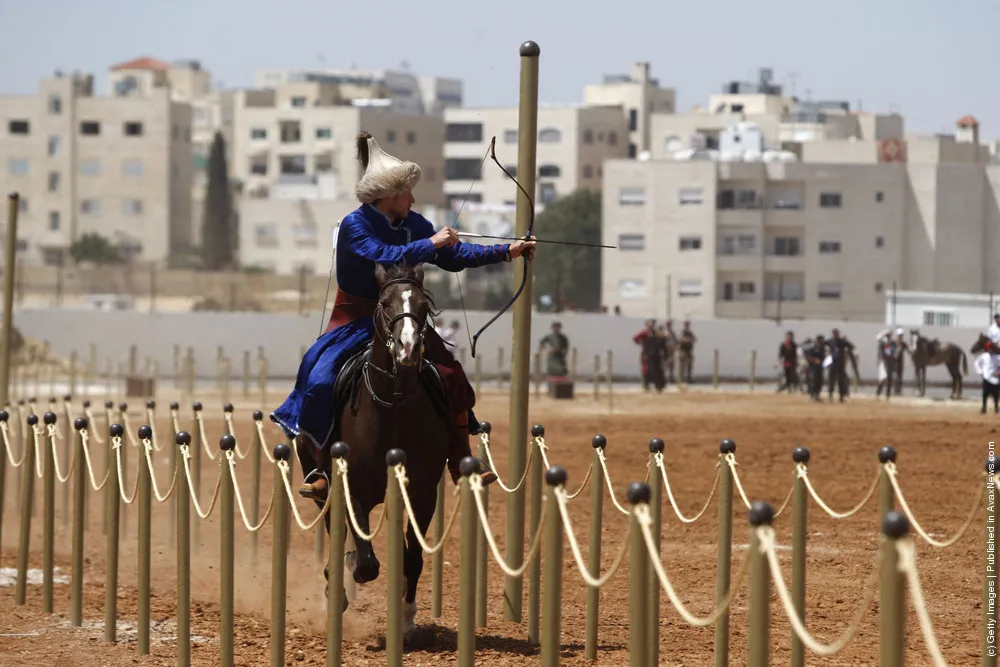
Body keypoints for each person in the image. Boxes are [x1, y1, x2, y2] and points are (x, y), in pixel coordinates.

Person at [270, 131, 536, 498]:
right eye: (407, 193)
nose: (412, 199)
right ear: (389, 196)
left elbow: (454, 257)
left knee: (451, 376)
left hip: (404, 316)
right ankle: (321, 468)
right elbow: (383, 255)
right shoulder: (355, 225)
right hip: (355, 320)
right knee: (319, 380)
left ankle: (461, 458)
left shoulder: (415, 223)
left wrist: (508, 251)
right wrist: (431, 243)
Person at [633, 319, 667, 392]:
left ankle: (658, 386)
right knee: (647, 370)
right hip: (647, 355)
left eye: (652, 324)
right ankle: (646, 385)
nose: (651, 325)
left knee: (657, 370)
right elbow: (635, 338)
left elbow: (662, 342)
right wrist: (642, 343)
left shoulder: (656, 333)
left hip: (656, 355)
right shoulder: (644, 333)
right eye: (650, 324)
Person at [826, 328, 855, 403]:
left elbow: (852, 346)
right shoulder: (830, 341)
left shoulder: (842, 341)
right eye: (834, 333)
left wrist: (846, 348)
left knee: (841, 381)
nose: (836, 335)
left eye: (837, 333)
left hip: (841, 363)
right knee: (831, 380)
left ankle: (841, 396)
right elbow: (823, 344)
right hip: (832, 363)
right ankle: (830, 395)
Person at [975, 340, 1000, 414]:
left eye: (991, 348)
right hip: (986, 377)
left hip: (995, 378)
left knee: (996, 394)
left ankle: (996, 407)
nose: (990, 350)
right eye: (989, 348)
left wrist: (998, 372)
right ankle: (984, 408)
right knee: (985, 394)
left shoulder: (997, 357)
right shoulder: (983, 356)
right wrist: (980, 372)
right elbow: (976, 363)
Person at [804, 335, 827, 402]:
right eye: (819, 341)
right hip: (813, 368)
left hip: (820, 368)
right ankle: (812, 395)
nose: (820, 342)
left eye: (821, 341)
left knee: (820, 382)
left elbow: (824, 357)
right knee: (813, 381)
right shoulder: (812, 349)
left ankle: (817, 395)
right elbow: (808, 357)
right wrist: (815, 360)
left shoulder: (823, 350)